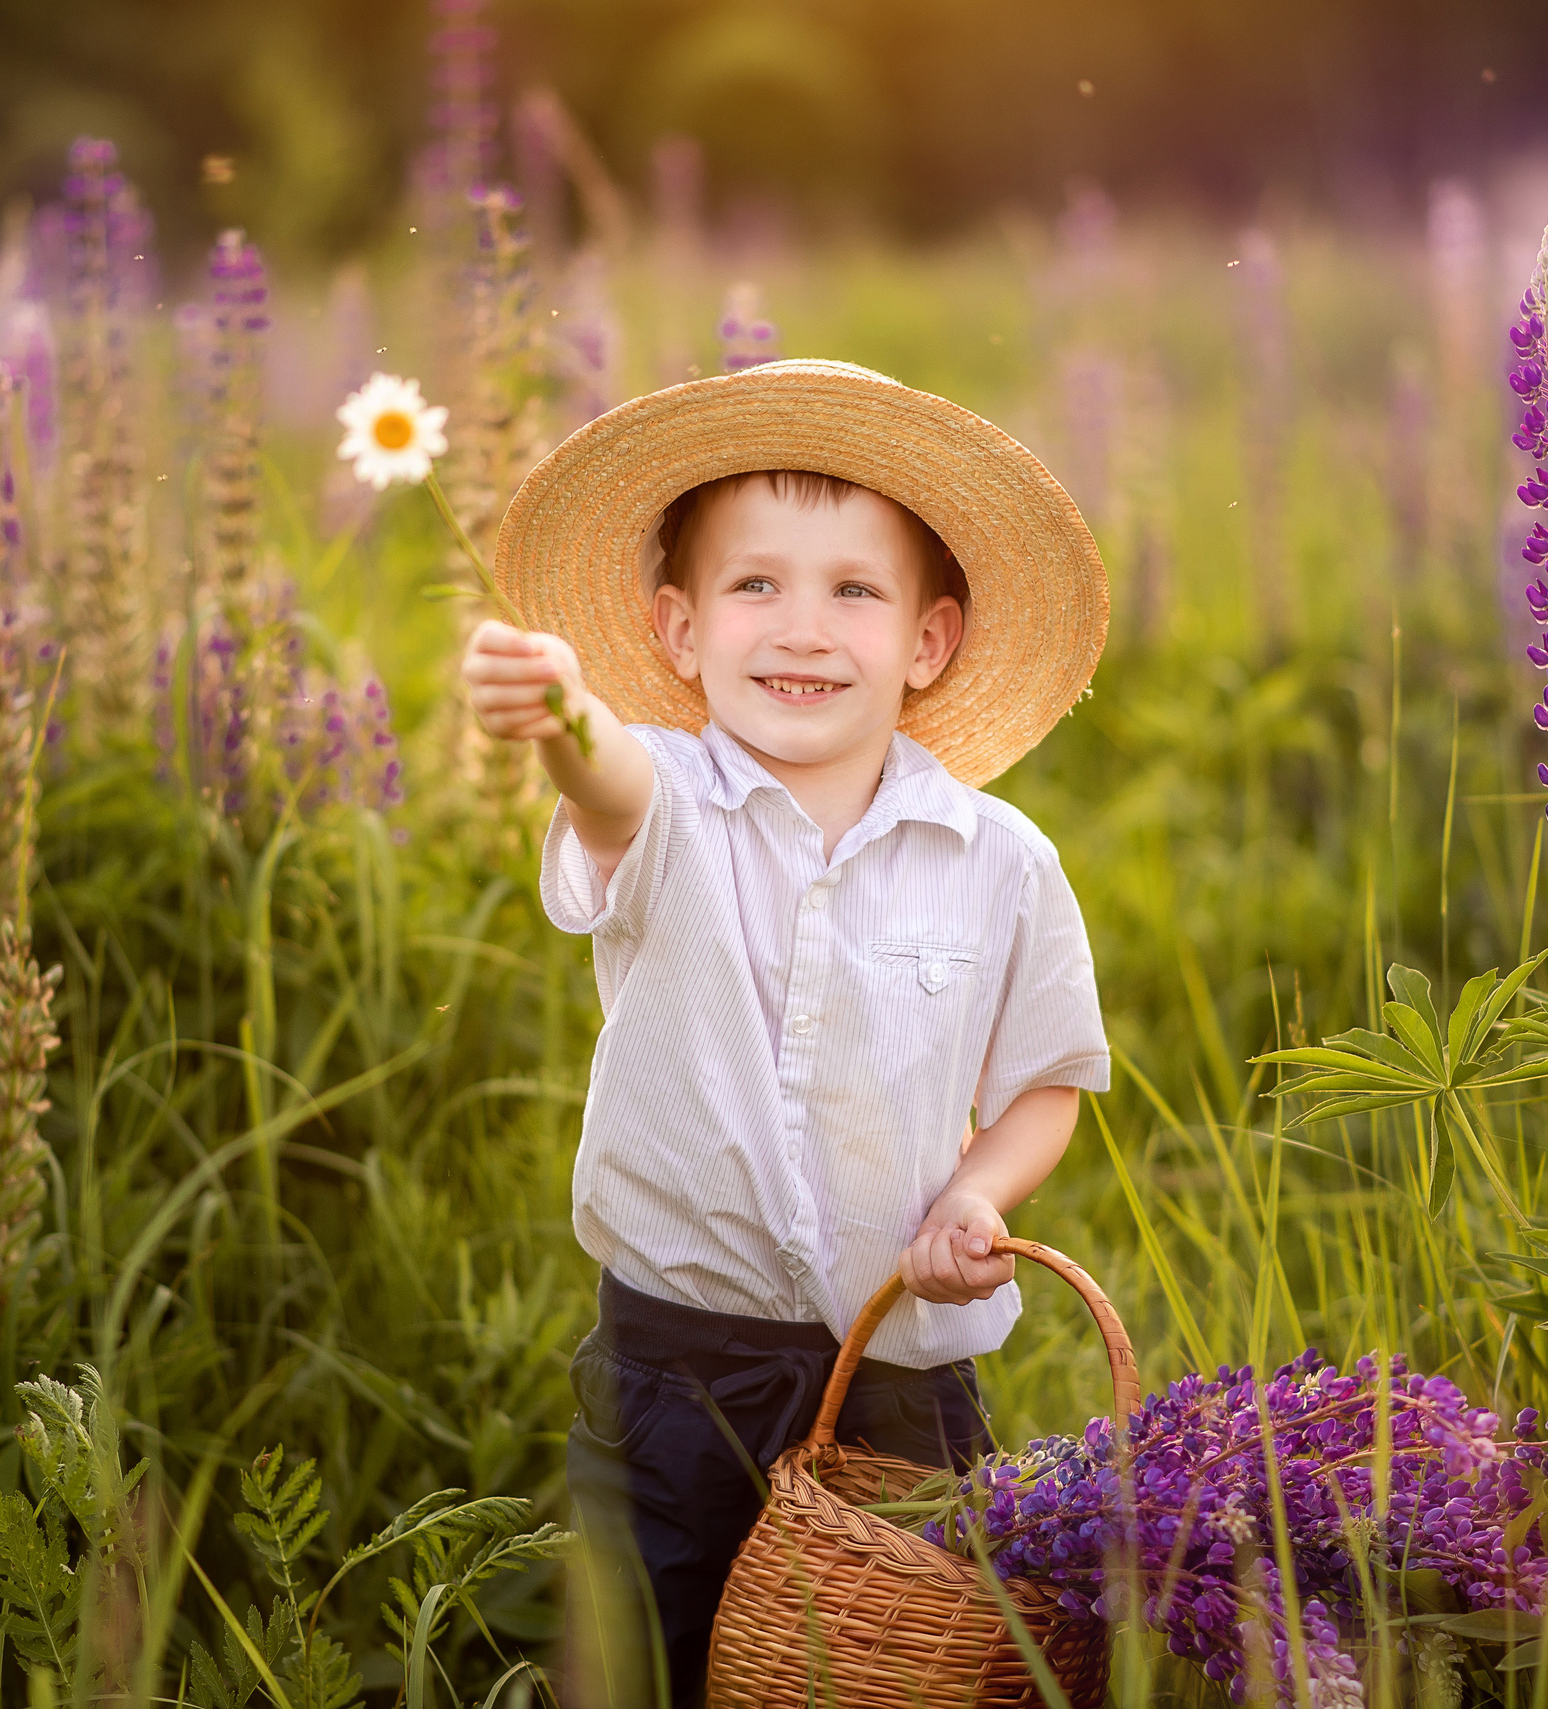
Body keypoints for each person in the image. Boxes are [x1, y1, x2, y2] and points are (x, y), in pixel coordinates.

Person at [461, 360, 1112, 1707]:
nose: (800, 628)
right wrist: (559, 709)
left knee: (883, 1666)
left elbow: (1048, 1081)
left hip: (898, 1366)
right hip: (675, 1358)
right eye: (755, 584)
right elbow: (607, 774)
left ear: (928, 642)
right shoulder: (667, 805)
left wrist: (977, 1195)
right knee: (650, 1654)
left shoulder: (1000, 860)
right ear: (681, 628)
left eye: (852, 591)